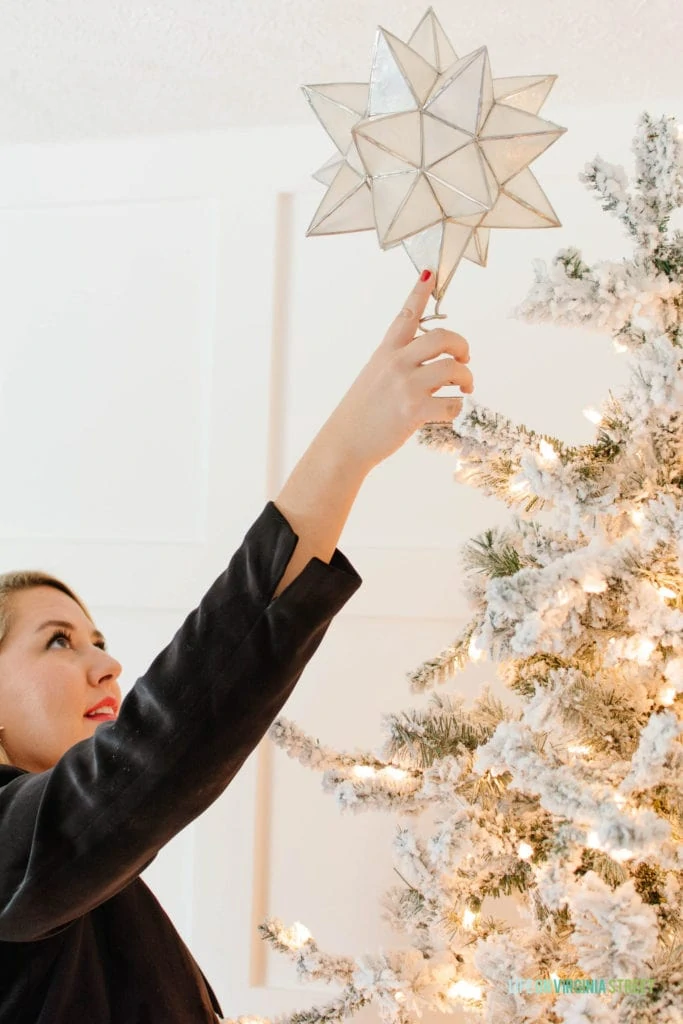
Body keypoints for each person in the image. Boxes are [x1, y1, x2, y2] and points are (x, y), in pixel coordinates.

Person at [0, 269, 473, 1022]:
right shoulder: (8, 855)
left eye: (97, 637)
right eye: (57, 641)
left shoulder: (77, 878)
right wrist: (346, 448)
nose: (107, 663)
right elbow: (164, 739)